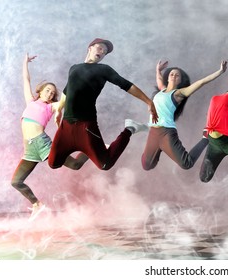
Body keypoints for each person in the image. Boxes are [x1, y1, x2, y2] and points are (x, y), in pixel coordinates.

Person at [48, 38, 158, 171]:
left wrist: (148, 101)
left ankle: (130, 129)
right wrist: (59, 108)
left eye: (105, 52)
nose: (102, 52)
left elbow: (127, 85)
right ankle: (92, 148)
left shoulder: (103, 69)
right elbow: (67, 90)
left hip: (86, 127)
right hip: (66, 127)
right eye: (100, 48)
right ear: (90, 48)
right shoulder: (74, 68)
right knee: (53, 163)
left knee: (105, 164)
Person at [12, 54, 89, 221]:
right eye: (47, 90)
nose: (49, 94)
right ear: (39, 91)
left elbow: (67, 96)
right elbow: (26, 79)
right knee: (16, 181)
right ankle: (37, 205)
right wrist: (25, 62)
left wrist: (80, 71)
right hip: (30, 148)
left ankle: (92, 148)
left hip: (42, 143)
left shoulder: (52, 107)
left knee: (75, 165)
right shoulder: (30, 102)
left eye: (52, 93)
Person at [140, 60, 227, 170]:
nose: (174, 76)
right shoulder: (162, 90)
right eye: (172, 74)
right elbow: (159, 79)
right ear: (168, 78)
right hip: (153, 131)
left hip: (166, 133)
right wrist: (158, 70)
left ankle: (206, 138)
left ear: (180, 80)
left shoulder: (179, 94)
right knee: (146, 166)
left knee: (187, 164)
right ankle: (159, 148)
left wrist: (220, 71)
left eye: (177, 75)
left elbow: (201, 82)